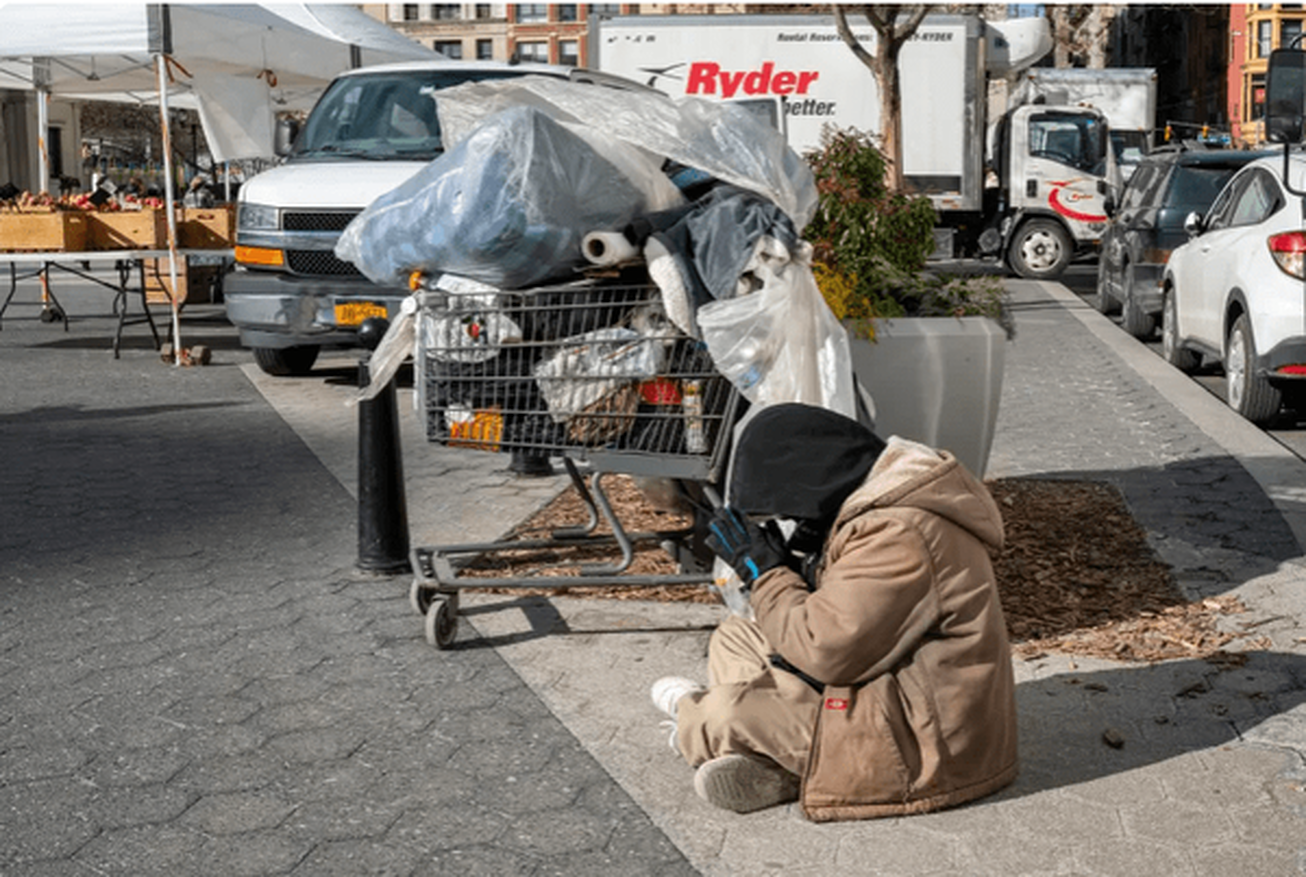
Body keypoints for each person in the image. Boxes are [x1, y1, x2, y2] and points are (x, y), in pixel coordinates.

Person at [651, 403, 1017, 820]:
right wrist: (799, 566)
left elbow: (825, 651)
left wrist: (766, 572)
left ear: (813, 481)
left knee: (722, 714)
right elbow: (847, 619)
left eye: (791, 509)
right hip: (883, 683)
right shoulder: (877, 501)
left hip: (923, 746)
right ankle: (787, 760)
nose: (791, 520)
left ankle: (695, 718)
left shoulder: (900, 531)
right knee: (737, 636)